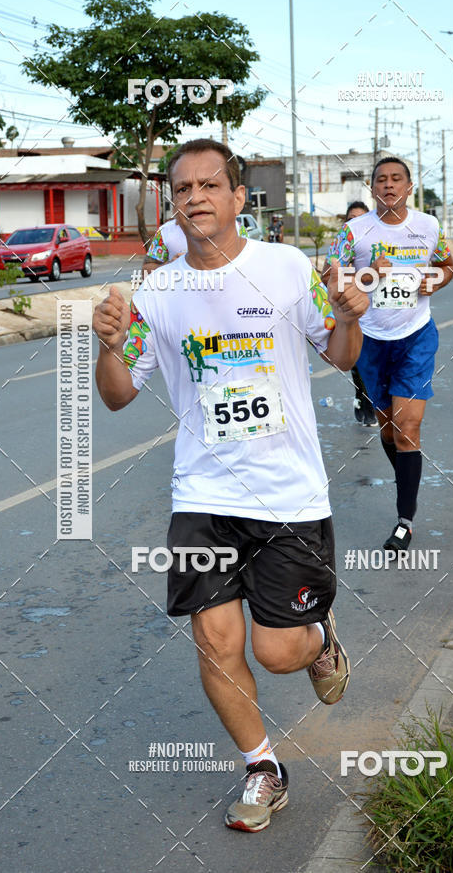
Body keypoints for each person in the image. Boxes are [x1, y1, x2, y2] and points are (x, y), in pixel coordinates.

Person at [93, 138, 368, 833]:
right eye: (182, 188)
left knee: (277, 652)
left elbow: (338, 355)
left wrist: (351, 316)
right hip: (203, 497)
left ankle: (318, 637)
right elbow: (119, 394)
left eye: (210, 185)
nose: (195, 197)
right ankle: (261, 767)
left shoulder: (285, 268)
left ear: (239, 196)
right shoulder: (156, 292)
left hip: (289, 496)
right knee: (214, 642)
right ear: (171, 203)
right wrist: (106, 345)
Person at [324, 157, 453, 553]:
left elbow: (447, 264)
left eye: (396, 179)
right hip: (370, 340)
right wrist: (369, 276)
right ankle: (408, 479)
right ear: (373, 188)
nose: (388, 185)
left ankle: (404, 521)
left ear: (409, 187)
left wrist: (437, 279)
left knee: (408, 428)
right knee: (388, 430)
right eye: (381, 179)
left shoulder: (428, 227)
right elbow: (328, 277)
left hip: (415, 335)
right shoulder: (354, 232)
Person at [344, 201, 377, 427]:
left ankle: (370, 401)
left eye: (360, 218)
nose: (355, 222)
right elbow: (333, 279)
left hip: (378, 317)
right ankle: (363, 399)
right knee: (357, 363)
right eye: (350, 218)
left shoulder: (379, 247)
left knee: (372, 364)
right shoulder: (341, 249)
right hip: (353, 315)